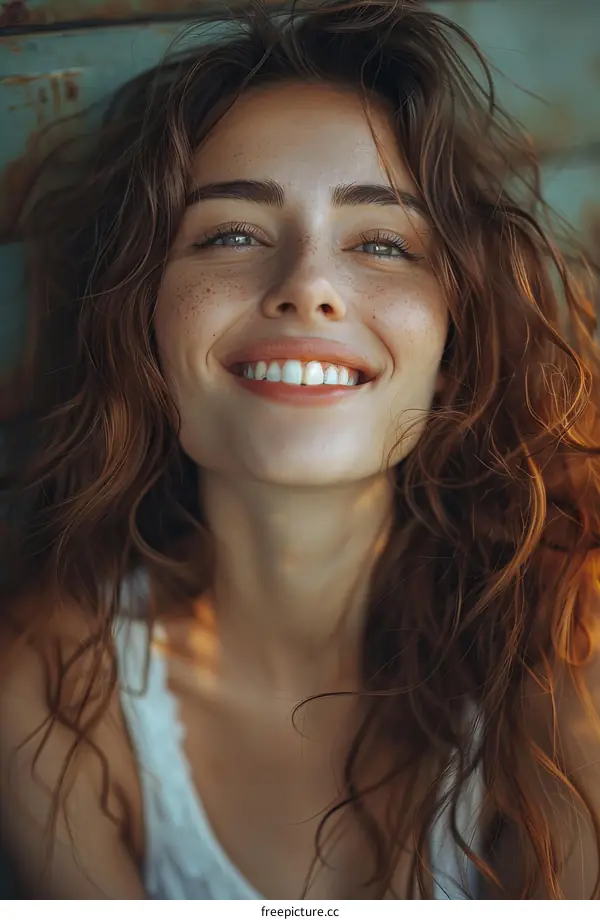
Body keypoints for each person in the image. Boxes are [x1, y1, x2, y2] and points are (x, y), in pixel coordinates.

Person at [1, 0, 600, 900]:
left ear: (456, 338)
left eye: (383, 242)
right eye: (231, 233)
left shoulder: (570, 647)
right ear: (142, 319)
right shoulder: (49, 688)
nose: (309, 287)